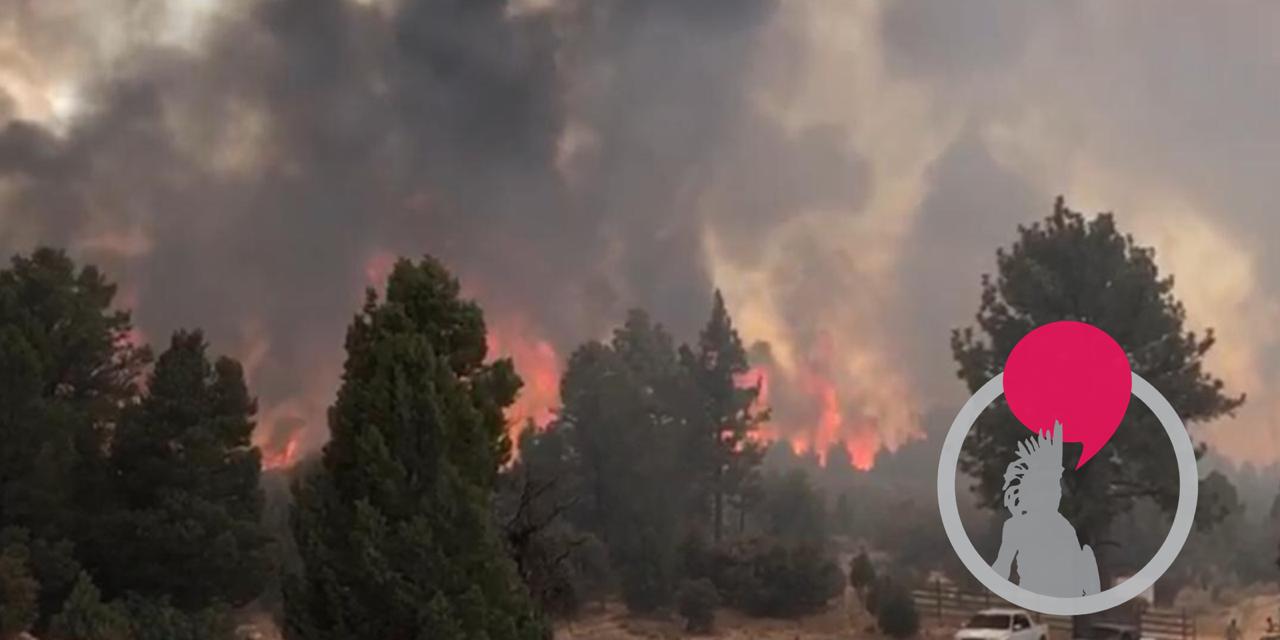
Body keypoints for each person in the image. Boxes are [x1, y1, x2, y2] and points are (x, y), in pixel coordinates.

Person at [992, 420, 1101, 596]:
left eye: (1056, 488)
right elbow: (1002, 567)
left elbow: (1078, 574)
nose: (1056, 494)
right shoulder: (1016, 526)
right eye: (1047, 488)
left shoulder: (1065, 528)